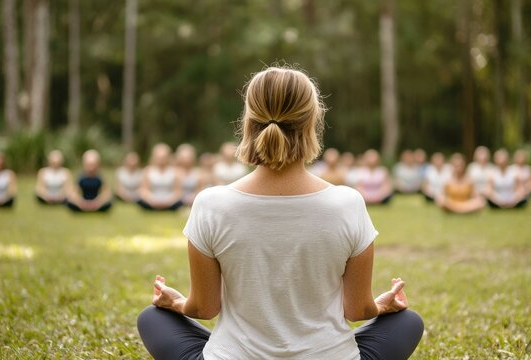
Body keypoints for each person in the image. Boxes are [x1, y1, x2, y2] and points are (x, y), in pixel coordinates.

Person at [137, 66, 423, 360]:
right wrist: (382, 306)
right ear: (313, 121)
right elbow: (357, 310)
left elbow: (205, 309)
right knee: (408, 321)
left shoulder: (211, 203)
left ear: (248, 122)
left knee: (152, 317)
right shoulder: (348, 202)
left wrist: (179, 303)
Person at [138, 143, 183, 211]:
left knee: (179, 202)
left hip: (169, 201)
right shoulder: (147, 171)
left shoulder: (175, 172)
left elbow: (178, 191)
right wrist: (153, 200)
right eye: (159, 157)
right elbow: (143, 190)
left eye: (163, 157)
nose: (161, 160)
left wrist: (168, 201)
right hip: (152, 200)